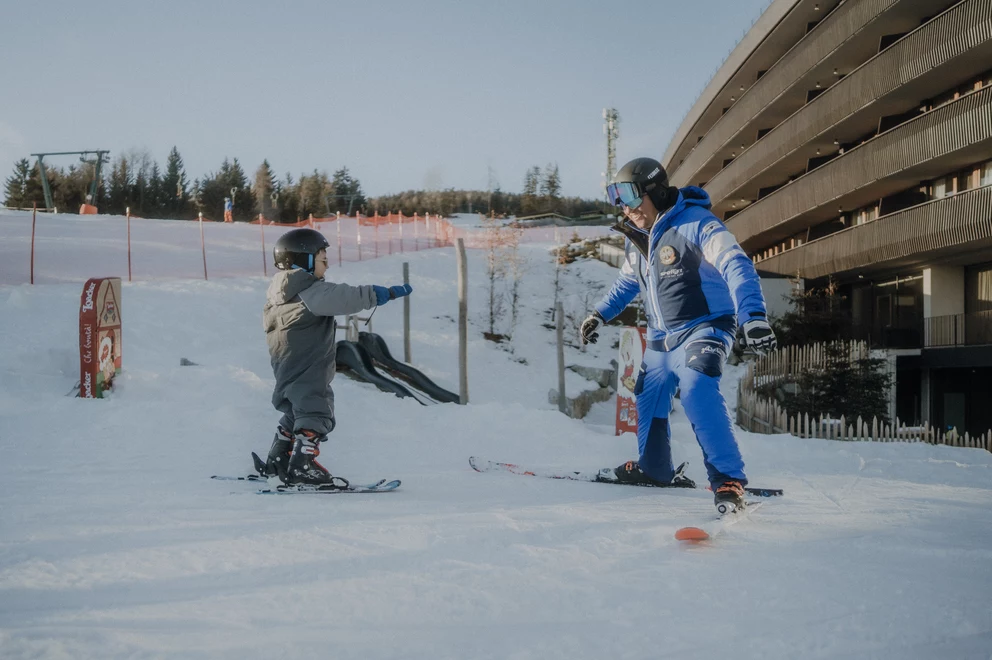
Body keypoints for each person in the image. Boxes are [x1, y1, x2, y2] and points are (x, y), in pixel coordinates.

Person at [582, 157, 777, 513]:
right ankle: (654, 468)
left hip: (706, 325)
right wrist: (599, 314)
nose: (624, 207)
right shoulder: (637, 238)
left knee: (696, 386)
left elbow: (737, 264)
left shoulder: (697, 224)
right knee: (648, 394)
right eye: (617, 198)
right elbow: (628, 281)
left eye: (630, 195)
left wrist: (753, 315)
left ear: (654, 192)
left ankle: (728, 478)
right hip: (662, 337)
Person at [253, 227, 412, 486]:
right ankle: (302, 466)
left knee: (297, 409)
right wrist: (382, 293)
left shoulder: (280, 294)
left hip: (286, 361)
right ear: (303, 260)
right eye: (322, 259)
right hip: (307, 364)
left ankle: (278, 458)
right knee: (316, 408)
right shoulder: (309, 291)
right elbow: (345, 297)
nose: (327, 265)